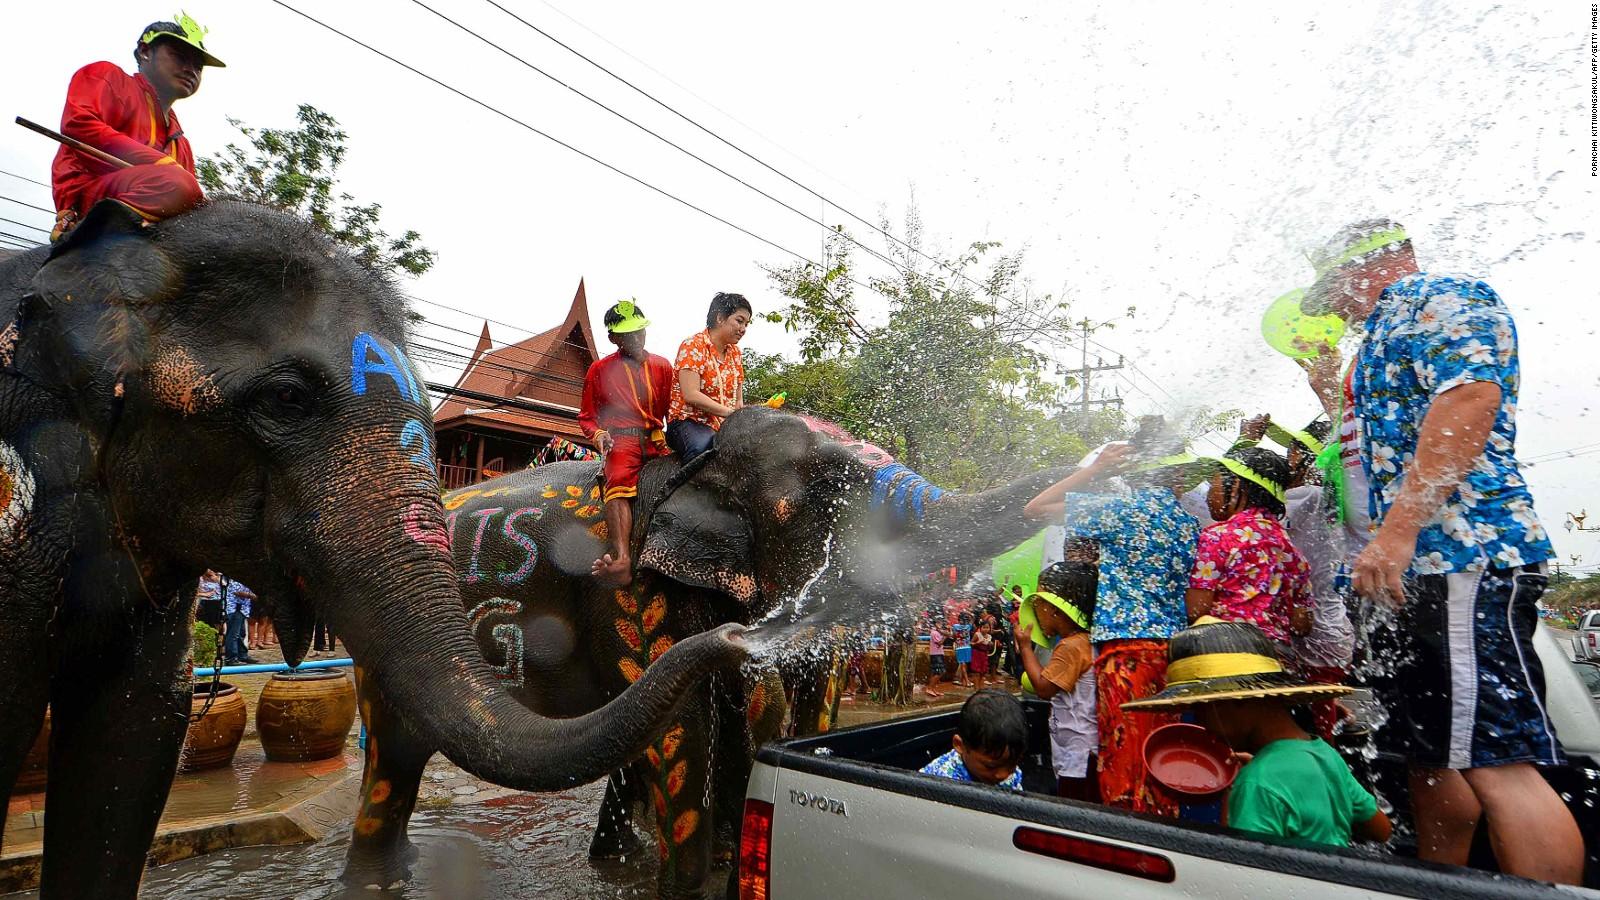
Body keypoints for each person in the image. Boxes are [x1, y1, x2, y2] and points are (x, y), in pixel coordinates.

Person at [1302, 219, 1582, 884]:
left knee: (1493, 761)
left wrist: (1397, 533)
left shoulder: (1444, 296)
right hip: (1410, 569)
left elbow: (1471, 397)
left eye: (1336, 290)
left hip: (1462, 560)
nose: (1337, 308)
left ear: (1368, 268)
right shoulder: (1381, 335)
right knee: (1424, 754)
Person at [1025, 422, 1199, 816]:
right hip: (1174, 656)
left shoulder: (1120, 512)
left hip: (1124, 655)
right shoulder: (1188, 524)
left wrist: (1096, 469)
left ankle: (1127, 839)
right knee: (1161, 754)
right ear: (1179, 472)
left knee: (1125, 756)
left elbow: (1034, 508)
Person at [1125, 619, 1391, 849]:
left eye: (1200, 709)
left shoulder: (1256, 783)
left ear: (1235, 701)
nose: (1203, 723)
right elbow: (1381, 830)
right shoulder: (1325, 755)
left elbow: (1243, 871)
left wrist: (1241, 788)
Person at [51, 15, 223, 239]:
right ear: (144, 51)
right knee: (177, 182)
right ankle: (89, 232)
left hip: (160, 215)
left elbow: (191, 198)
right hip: (90, 193)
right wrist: (159, 162)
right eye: (180, 57)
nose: (191, 70)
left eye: (198, 67)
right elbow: (79, 124)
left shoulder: (181, 143)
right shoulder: (107, 76)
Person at [579, 300, 675, 585]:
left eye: (640, 331)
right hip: (622, 441)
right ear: (613, 338)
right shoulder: (599, 369)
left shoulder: (663, 366)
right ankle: (622, 559)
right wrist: (598, 435)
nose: (637, 338)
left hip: (657, 440)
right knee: (618, 481)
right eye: (629, 334)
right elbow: (586, 417)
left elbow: (673, 411)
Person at [1187, 447, 1312, 653]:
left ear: (1236, 487)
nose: (1209, 494)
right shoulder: (1289, 548)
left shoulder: (1218, 537)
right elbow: (1301, 625)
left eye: (1213, 484)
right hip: (1277, 656)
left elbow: (1196, 610)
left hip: (1226, 651)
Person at [1013, 564, 1099, 801]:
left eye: (1038, 603)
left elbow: (1043, 687)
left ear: (1055, 610)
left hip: (1079, 755)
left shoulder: (1071, 647)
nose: (1035, 611)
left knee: (1075, 809)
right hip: (1083, 750)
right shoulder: (1085, 641)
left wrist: (1025, 647)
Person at [666, 292, 751, 461]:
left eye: (747, 324)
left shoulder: (735, 353)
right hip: (688, 422)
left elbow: (738, 400)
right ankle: (676, 488)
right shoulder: (693, 345)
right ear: (720, 318)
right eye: (739, 321)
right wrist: (729, 413)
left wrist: (739, 419)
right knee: (703, 448)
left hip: (724, 423)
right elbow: (691, 394)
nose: (743, 329)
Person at [918, 689, 1028, 790]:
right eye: (990, 766)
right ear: (959, 745)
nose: (1003, 775)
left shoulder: (1003, 763)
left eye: (1012, 764)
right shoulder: (938, 783)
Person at [220, 575, 257, 665]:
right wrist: (252, 596)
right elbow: (237, 591)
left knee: (241, 634)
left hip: (242, 609)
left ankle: (242, 655)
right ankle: (231, 658)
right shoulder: (233, 579)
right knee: (233, 635)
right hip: (234, 609)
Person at [952, 612, 973, 687]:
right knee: (964, 664)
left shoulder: (955, 626)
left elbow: (954, 636)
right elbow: (972, 619)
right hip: (967, 646)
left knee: (962, 664)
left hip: (959, 647)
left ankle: (963, 680)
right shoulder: (968, 626)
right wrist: (969, 613)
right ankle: (966, 680)